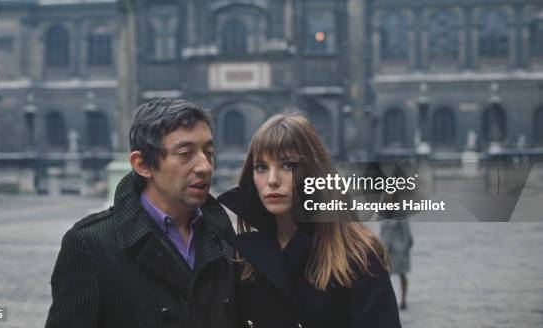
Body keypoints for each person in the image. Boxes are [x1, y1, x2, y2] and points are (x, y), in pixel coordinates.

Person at [46, 98, 237, 328]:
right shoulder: (90, 245)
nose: (205, 166)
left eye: (209, 152)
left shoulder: (225, 240)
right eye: (186, 153)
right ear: (142, 164)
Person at [218, 112, 401, 328]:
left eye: (288, 165)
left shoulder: (358, 254)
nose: (272, 180)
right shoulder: (242, 258)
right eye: (261, 167)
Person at [380, 218, 413, 310]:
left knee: (402, 274)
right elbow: (382, 232)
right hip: (387, 250)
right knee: (385, 276)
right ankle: (385, 300)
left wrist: (404, 248)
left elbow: (407, 233)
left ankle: (403, 299)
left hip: (399, 250)